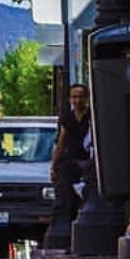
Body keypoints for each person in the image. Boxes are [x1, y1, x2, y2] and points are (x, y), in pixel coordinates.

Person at [47, 83, 91, 246]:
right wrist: (54, 165)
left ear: (86, 98)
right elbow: (61, 142)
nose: (77, 100)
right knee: (65, 201)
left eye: (80, 96)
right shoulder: (67, 118)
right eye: (74, 97)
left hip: (88, 162)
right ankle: (64, 237)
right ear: (69, 99)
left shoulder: (92, 117)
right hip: (69, 162)